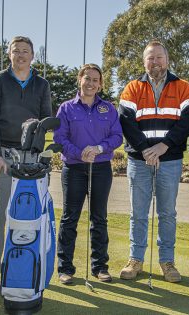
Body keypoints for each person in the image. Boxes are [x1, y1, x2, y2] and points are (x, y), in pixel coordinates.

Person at [118, 40, 189, 283]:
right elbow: (126, 122)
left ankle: (167, 262)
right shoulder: (132, 88)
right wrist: (145, 150)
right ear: (144, 62)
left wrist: (163, 146)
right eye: (150, 58)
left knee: (167, 214)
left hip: (170, 160)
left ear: (167, 60)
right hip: (139, 161)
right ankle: (135, 260)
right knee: (138, 214)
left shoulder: (183, 87)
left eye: (159, 57)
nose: (155, 62)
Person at [0, 36, 52, 294]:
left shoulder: (42, 84)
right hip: (2, 156)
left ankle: (29, 265)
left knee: (29, 214)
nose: (21, 55)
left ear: (33, 56)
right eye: (16, 51)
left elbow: (44, 121)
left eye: (25, 51)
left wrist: (36, 149)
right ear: (9, 55)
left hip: (30, 157)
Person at [53, 64, 123, 284]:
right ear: (79, 80)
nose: (91, 83)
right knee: (69, 218)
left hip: (101, 168)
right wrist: (79, 154)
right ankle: (65, 268)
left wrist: (99, 149)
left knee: (99, 218)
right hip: (74, 168)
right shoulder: (66, 108)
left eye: (95, 80)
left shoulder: (109, 109)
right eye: (87, 79)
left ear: (100, 84)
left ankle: (100, 267)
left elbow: (117, 136)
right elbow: (59, 139)